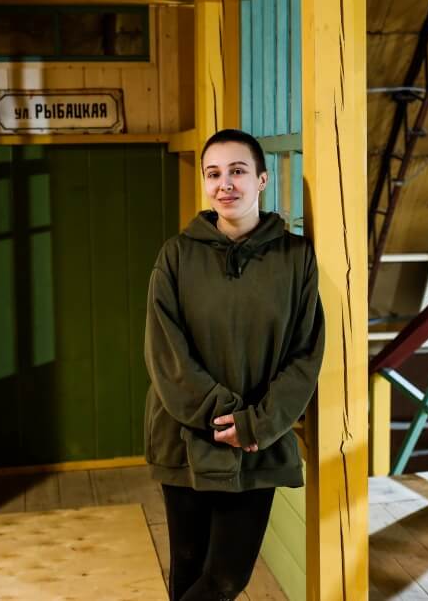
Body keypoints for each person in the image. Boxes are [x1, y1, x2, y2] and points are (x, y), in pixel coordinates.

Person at [143, 128, 325, 600]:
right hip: (185, 434)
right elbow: (165, 352)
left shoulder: (296, 259)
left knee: (227, 578)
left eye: (238, 171)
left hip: (257, 438)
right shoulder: (176, 255)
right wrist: (221, 415)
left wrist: (254, 424)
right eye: (214, 173)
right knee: (187, 568)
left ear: (262, 180)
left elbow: (305, 353)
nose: (225, 183)